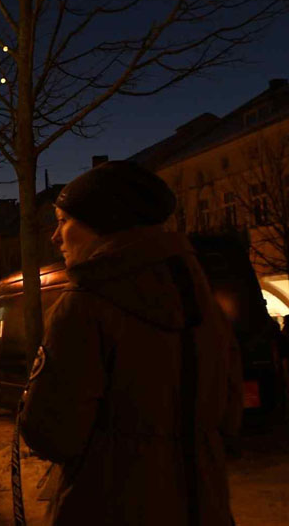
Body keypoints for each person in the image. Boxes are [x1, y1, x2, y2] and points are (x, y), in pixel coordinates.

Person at [20, 161, 242, 526]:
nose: (55, 237)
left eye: (63, 221)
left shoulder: (84, 305)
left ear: (103, 224)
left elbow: (52, 434)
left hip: (108, 504)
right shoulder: (204, 302)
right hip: (205, 506)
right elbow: (230, 418)